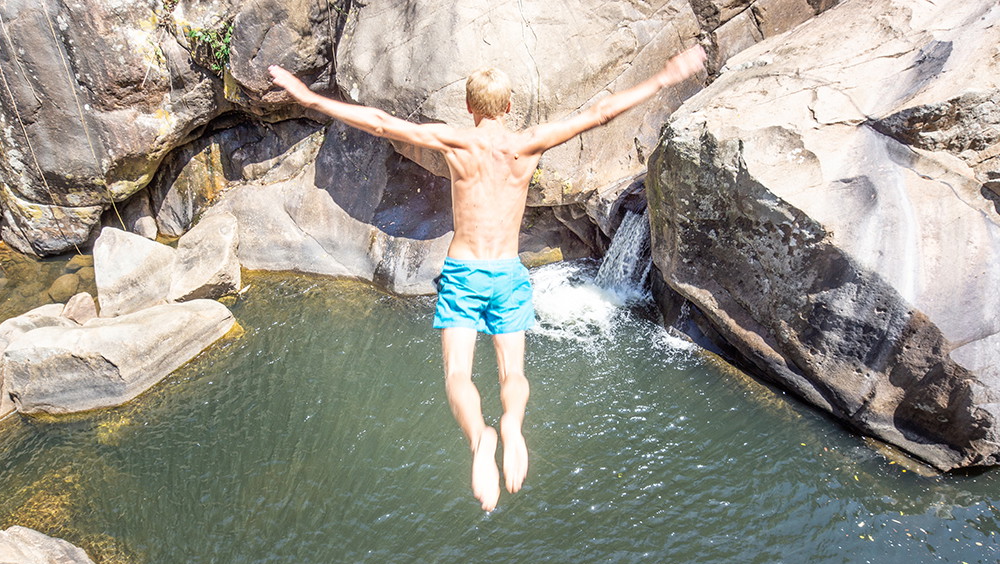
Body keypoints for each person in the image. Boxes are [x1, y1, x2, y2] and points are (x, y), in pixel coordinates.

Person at [269, 45, 706, 511]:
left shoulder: (458, 143)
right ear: (509, 106)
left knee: (458, 373)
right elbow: (600, 113)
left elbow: (379, 123)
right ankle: (513, 427)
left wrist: (307, 96)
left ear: (470, 107)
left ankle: (481, 438)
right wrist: (663, 77)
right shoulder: (528, 143)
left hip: (462, 273)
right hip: (508, 273)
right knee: (512, 372)